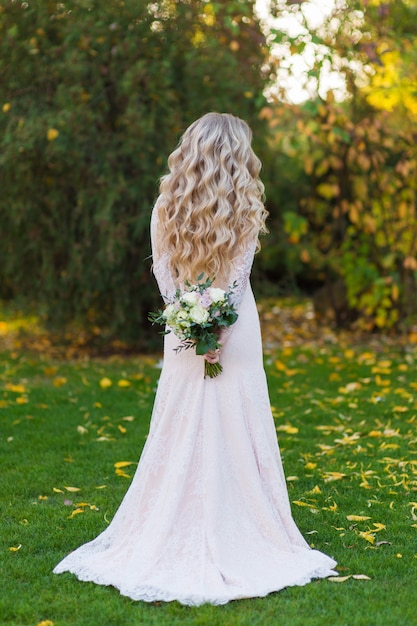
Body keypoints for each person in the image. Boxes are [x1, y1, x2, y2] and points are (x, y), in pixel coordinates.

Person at [53, 112, 337, 605]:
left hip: (182, 330)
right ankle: (241, 520)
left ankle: (187, 514)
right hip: (235, 330)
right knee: (234, 418)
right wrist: (217, 326)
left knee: (186, 419)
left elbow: (165, 277)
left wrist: (187, 318)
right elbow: (237, 281)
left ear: (191, 148)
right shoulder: (246, 206)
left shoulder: (165, 205)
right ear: (236, 154)